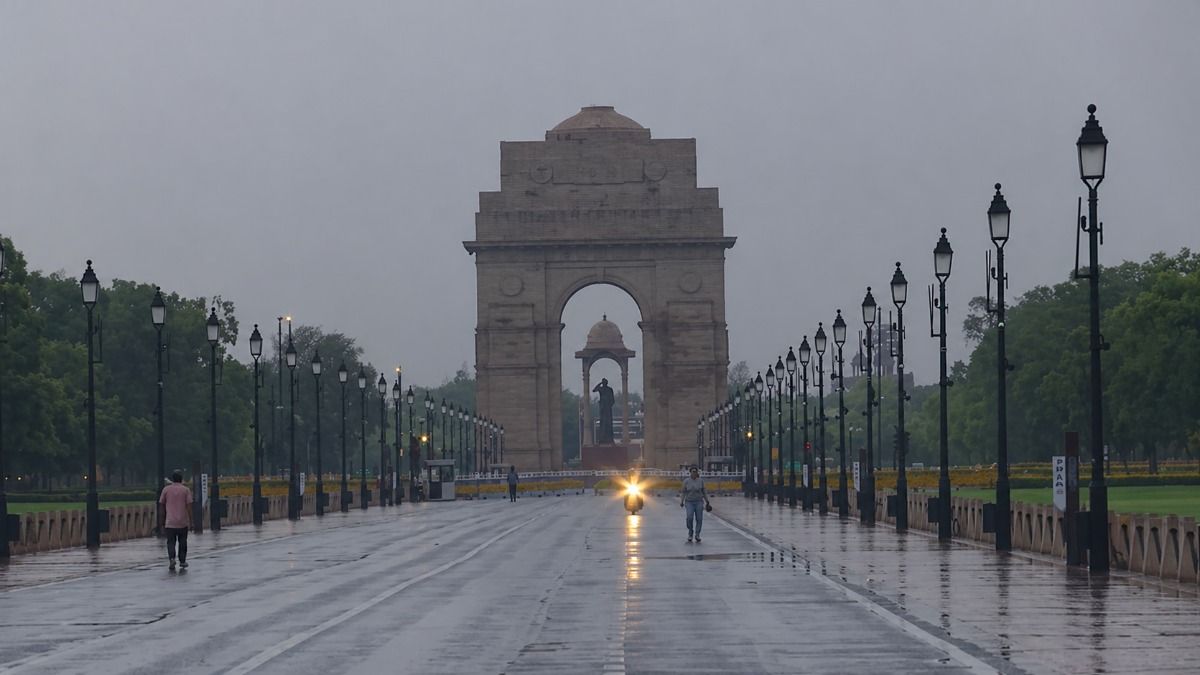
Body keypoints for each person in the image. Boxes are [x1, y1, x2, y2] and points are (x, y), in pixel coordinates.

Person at [159, 470, 192, 570]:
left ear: (172, 479)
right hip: (182, 522)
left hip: (170, 522)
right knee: (183, 542)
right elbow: (189, 506)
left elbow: (161, 505)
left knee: (171, 542)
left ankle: (172, 559)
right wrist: (192, 520)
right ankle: (182, 561)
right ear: (181, 479)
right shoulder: (186, 490)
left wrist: (161, 521)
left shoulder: (166, 490)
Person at [679, 465, 709, 543]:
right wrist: (681, 501)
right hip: (689, 502)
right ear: (690, 472)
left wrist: (707, 501)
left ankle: (697, 534)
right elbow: (683, 492)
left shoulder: (701, 481)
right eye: (693, 472)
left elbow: (704, 492)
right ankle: (690, 532)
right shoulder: (686, 481)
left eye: (696, 472)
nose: (694, 473)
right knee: (689, 517)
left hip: (699, 502)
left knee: (699, 519)